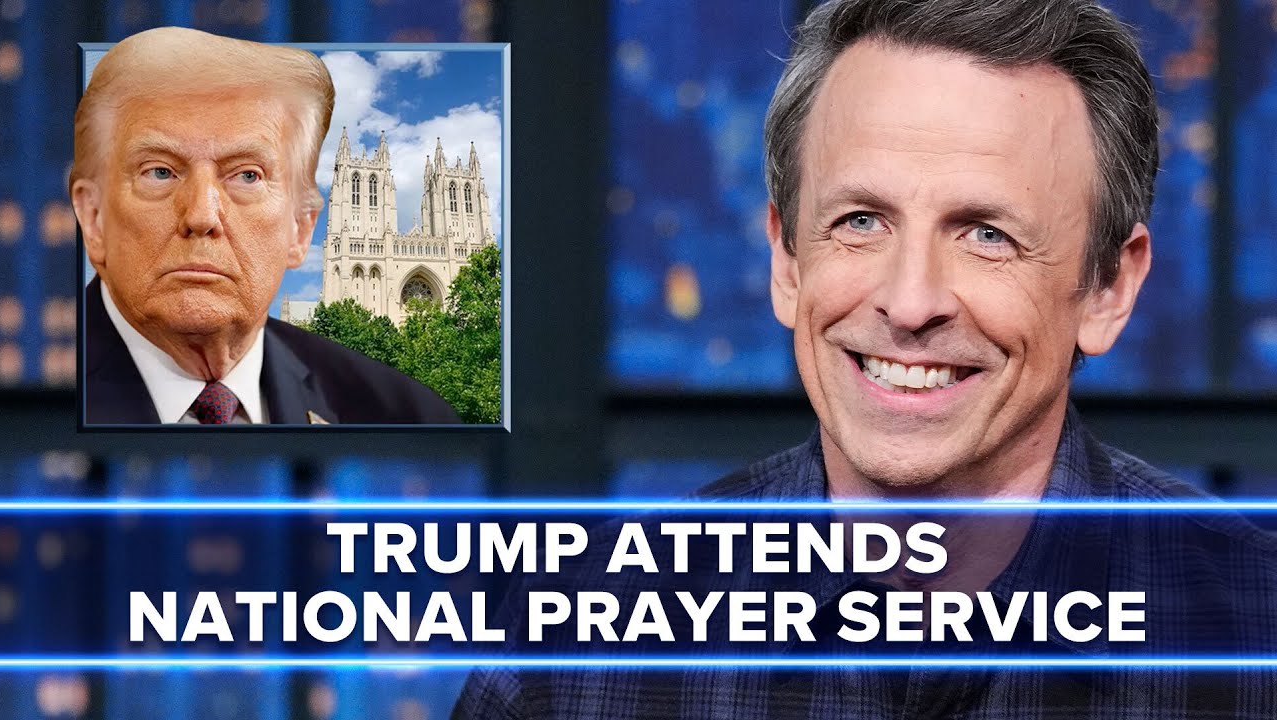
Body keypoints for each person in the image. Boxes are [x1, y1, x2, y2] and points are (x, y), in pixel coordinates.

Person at [454, 0, 1277, 716]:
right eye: (860, 222)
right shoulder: (568, 662)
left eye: (987, 235)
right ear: (786, 262)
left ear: (1108, 287)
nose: (911, 301)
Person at [72, 28, 459, 425]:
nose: (202, 215)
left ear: (302, 227)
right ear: (92, 216)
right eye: (160, 171)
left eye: (247, 175)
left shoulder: (405, 414)